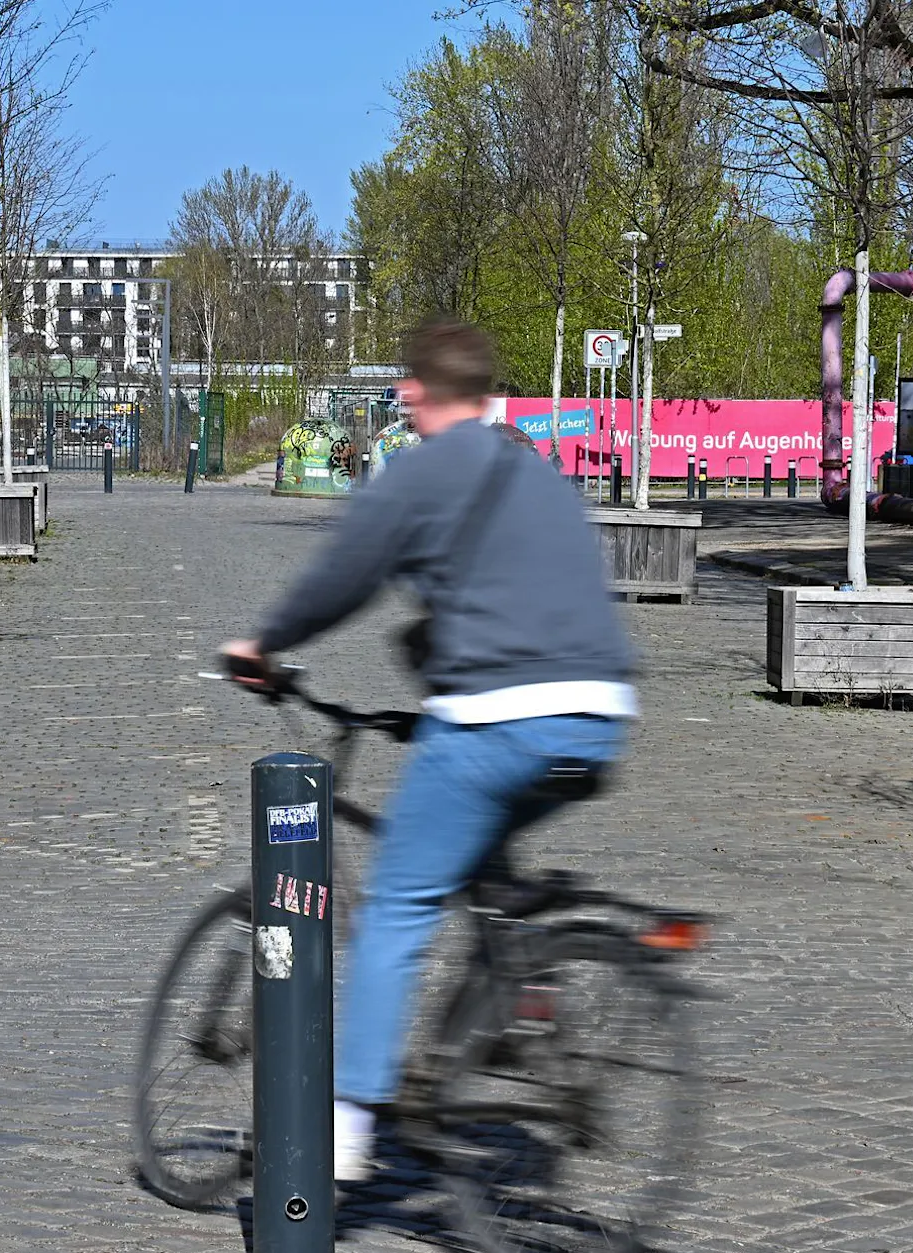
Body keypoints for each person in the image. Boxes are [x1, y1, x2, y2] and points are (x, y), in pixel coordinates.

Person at [221, 319, 636, 1182]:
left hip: (500, 717)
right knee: (488, 862)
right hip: (598, 712)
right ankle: (522, 984)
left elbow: (346, 571)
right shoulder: (534, 468)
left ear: (413, 392)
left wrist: (264, 643)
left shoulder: (425, 469)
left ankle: (341, 1129)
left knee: (402, 906)